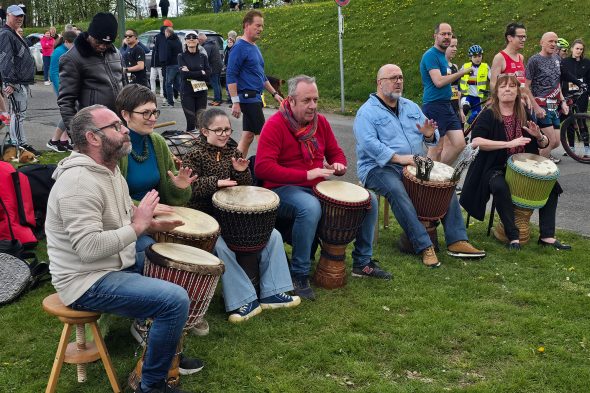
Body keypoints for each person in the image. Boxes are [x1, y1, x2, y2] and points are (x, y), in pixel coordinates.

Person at [46, 105, 203, 393]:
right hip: (85, 281)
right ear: (94, 138)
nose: (125, 130)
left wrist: (154, 224)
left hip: (114, 264)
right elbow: (89, 248)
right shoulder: (78, 183)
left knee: (177, 272)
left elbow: (122, 213)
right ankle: (152, 384)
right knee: (174, 299)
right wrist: (139, 227)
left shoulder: (110, 170)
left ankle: (166, 355)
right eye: (116, 127)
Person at [255, 75, 391, 301]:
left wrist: (339, 165)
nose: (313, 106)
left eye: (316, 100)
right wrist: (306, 174)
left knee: (368, 200)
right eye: (307, 100)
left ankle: (362, 263)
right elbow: (262, 168)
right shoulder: (275, 125)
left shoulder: (321, 123)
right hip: (281, 189)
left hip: (315, 186)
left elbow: (336, 152)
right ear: (291, 100)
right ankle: (299, 274)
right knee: (309, 207)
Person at [354, 64, 486, 268]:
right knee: (397, 190)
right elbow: (370, 145)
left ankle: (457, 240)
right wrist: (400, 159)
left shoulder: (410, 107)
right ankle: (424, 245)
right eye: (393, 78)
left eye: (401, 77)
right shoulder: (366, 112)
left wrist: (428, 134)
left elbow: (432, 137)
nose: (399, 81)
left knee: (443, 183)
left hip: (412, 164)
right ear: (380, 83)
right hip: (377, 168)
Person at [184, 108, 300, 322]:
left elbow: (245, 187)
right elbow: (188, 189)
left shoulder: (233, 151)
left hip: (233, 215)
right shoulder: (194, 155)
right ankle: (243, 301)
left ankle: (273, 292)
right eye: (218, 130)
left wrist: (240, 172)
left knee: (272, 235)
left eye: (227, 129)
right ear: (204, 131)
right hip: (205, 217)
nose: (224, 134)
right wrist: (215, 183)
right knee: (221, 246)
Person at [460, 74, 571, 251]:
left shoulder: (523, 112)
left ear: (517, 91)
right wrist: (508, 144)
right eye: (503, 86)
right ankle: (513, 236)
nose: (508, 89)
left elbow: (543, 144)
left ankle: (547, 236)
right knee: (500, 186)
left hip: (522, 166)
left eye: (512, 86)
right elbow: (476, 141)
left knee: (552, 186)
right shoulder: (489, 114)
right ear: (496, 92)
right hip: (494, 167)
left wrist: (538, 136)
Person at [227, 10, 283, 156]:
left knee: (248, 136)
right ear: (247, 25)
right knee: (264, 138)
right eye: (257, 25)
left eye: (262, 26)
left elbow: (261, 76)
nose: (261, 29)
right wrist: (235, 102)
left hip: (256, 98)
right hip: (248, 99)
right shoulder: (239, 48)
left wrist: (275, 93)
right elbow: (231, 75)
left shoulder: (254, 47)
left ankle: (235, 168)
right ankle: (271, 171)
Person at [58, 12, 124, 132]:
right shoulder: (72, 58)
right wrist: (76, 133)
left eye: (108, 43)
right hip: (94, 126)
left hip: (119, 122)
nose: (103, 46)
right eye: (99, 42)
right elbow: (66, 101)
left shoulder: (116, 53)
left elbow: (124, 85)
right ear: (90, 35)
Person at [420, 22, 472, 165]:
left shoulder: (443, 56)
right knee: (436, 149)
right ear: (435, 36)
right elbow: (438, 81)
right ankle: (427, 181)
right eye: (443, 34)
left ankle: (440, 173)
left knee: (460, 144)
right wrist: (461, 72)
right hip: (434, 105)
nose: (447, 37)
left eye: (449, 34)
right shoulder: (431, 55)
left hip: (447, 105)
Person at [525, 32, 570, 163]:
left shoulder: (557, 59)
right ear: (542, 43)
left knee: (556, 143)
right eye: (550, 41)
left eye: (555, 42)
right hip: (542, 105)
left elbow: (557, 83)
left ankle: (532, 158)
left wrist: (563, 102)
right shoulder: (534, 60)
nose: (553, 44)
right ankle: (538, 169)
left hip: (554, 105)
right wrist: (536, 107)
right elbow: (526, 87)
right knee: (551, 141)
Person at [0, 4, 38, 156]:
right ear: (8, 15)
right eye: (16, 15)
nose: (20, 18)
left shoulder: (12, 33)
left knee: (19, 114)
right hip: (15, 82)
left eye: (21, 15)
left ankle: (20, 144)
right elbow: (5, 58)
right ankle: (18, 145)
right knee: (18, 114)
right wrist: (9, 81)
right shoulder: (5, 34)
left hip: (20, 81)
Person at [489, 22, 542, 116]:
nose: (524, 40)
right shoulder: (500, 57)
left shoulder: (520, 57)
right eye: (520, 37)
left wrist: (528, 99)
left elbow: (522, 84)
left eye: (525, 37)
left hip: (522, 105)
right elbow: (493, 84)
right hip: (508, 107)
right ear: (510, 38)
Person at [47, 30, 76, 152]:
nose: (75, 46)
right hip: (62, 87)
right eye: (73, 43)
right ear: (66, 42)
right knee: (68, 112)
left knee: (68, 112)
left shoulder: (69, 50)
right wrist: (61, 90)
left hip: (69, 85)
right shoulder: (58, 52)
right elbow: (53, 72)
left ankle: (63, 141)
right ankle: (53, 141)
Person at [561, 39, 590, 157]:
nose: (579, 51)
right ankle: (571, 147)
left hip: (582, 94)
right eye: (577, 48)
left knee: (581, 119)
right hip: (568, 94)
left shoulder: (587, 62)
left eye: (581, 49)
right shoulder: (564, 62)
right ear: (572, 49)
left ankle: (587, 148)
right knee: (569, 120)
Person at [178, 31, 210, 131]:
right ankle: (191, 144)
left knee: (201, 121)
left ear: (198, 41)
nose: (191, 39)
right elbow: (184, 75)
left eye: (194, 37)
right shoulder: (181, 56)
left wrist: (191, 73)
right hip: (187, 92)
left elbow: (208, 75)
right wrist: (201, 72)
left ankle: (201, 144)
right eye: (188, 37)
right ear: (185, 41)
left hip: (201, 92)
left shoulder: (203, 57)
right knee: (191, 121)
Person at [459, 44, 490, 124]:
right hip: (466, 95)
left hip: (477, 96)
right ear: (470, 57)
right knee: (465, 108)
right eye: (475, 57)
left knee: (477, 117)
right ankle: (460, 129)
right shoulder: (465, 66)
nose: (477, 59)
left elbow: (492, 79)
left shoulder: (485, 67)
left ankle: (470, 124)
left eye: (479, 56)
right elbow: (456, 76)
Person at [446, 35, 466, 127]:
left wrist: (460, 110)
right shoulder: (439, 66)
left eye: (456, 46)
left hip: (455, 107)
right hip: (444, 107)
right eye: (452, 46)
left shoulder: (455, 66)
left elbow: (456, 90)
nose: (455, 49)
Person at [199, 32, 223, 106]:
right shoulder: (211, 43)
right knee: (217, 83)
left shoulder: (207, 46)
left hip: (213, 67)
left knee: (214, 83)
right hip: (218, 66)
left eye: (199, 40)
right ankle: (218, 99)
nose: (199, 42)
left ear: (201, 39)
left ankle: (217, 100)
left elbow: (205, 57)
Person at [163, 26, 182, 107]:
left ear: (168, 33)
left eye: (165, 33)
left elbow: (168, 55)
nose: (165, 35)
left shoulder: (168, 42)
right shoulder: (178, 41)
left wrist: (165, 63)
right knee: (177, 84)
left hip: (171, 65)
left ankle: (170, 102)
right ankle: (186, 98)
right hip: (178, 64)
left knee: (168, 84)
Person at [150, 24, 169, 99]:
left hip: (160, 64)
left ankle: (162, 91)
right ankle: (153, 91)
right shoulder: (154, 48)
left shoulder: (162, 46)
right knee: (152, 78)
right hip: (153, 65)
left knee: (161, 79)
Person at [223, 32, 236, 104]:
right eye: (228, 42)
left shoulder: (234, 49)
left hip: (233, 68)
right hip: (227, 67)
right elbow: (225, 58)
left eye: (230, 42)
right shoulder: (227, 49)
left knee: (232, 83)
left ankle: (233, 100)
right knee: (228, 83)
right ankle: (229, 98)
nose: (229, 43)